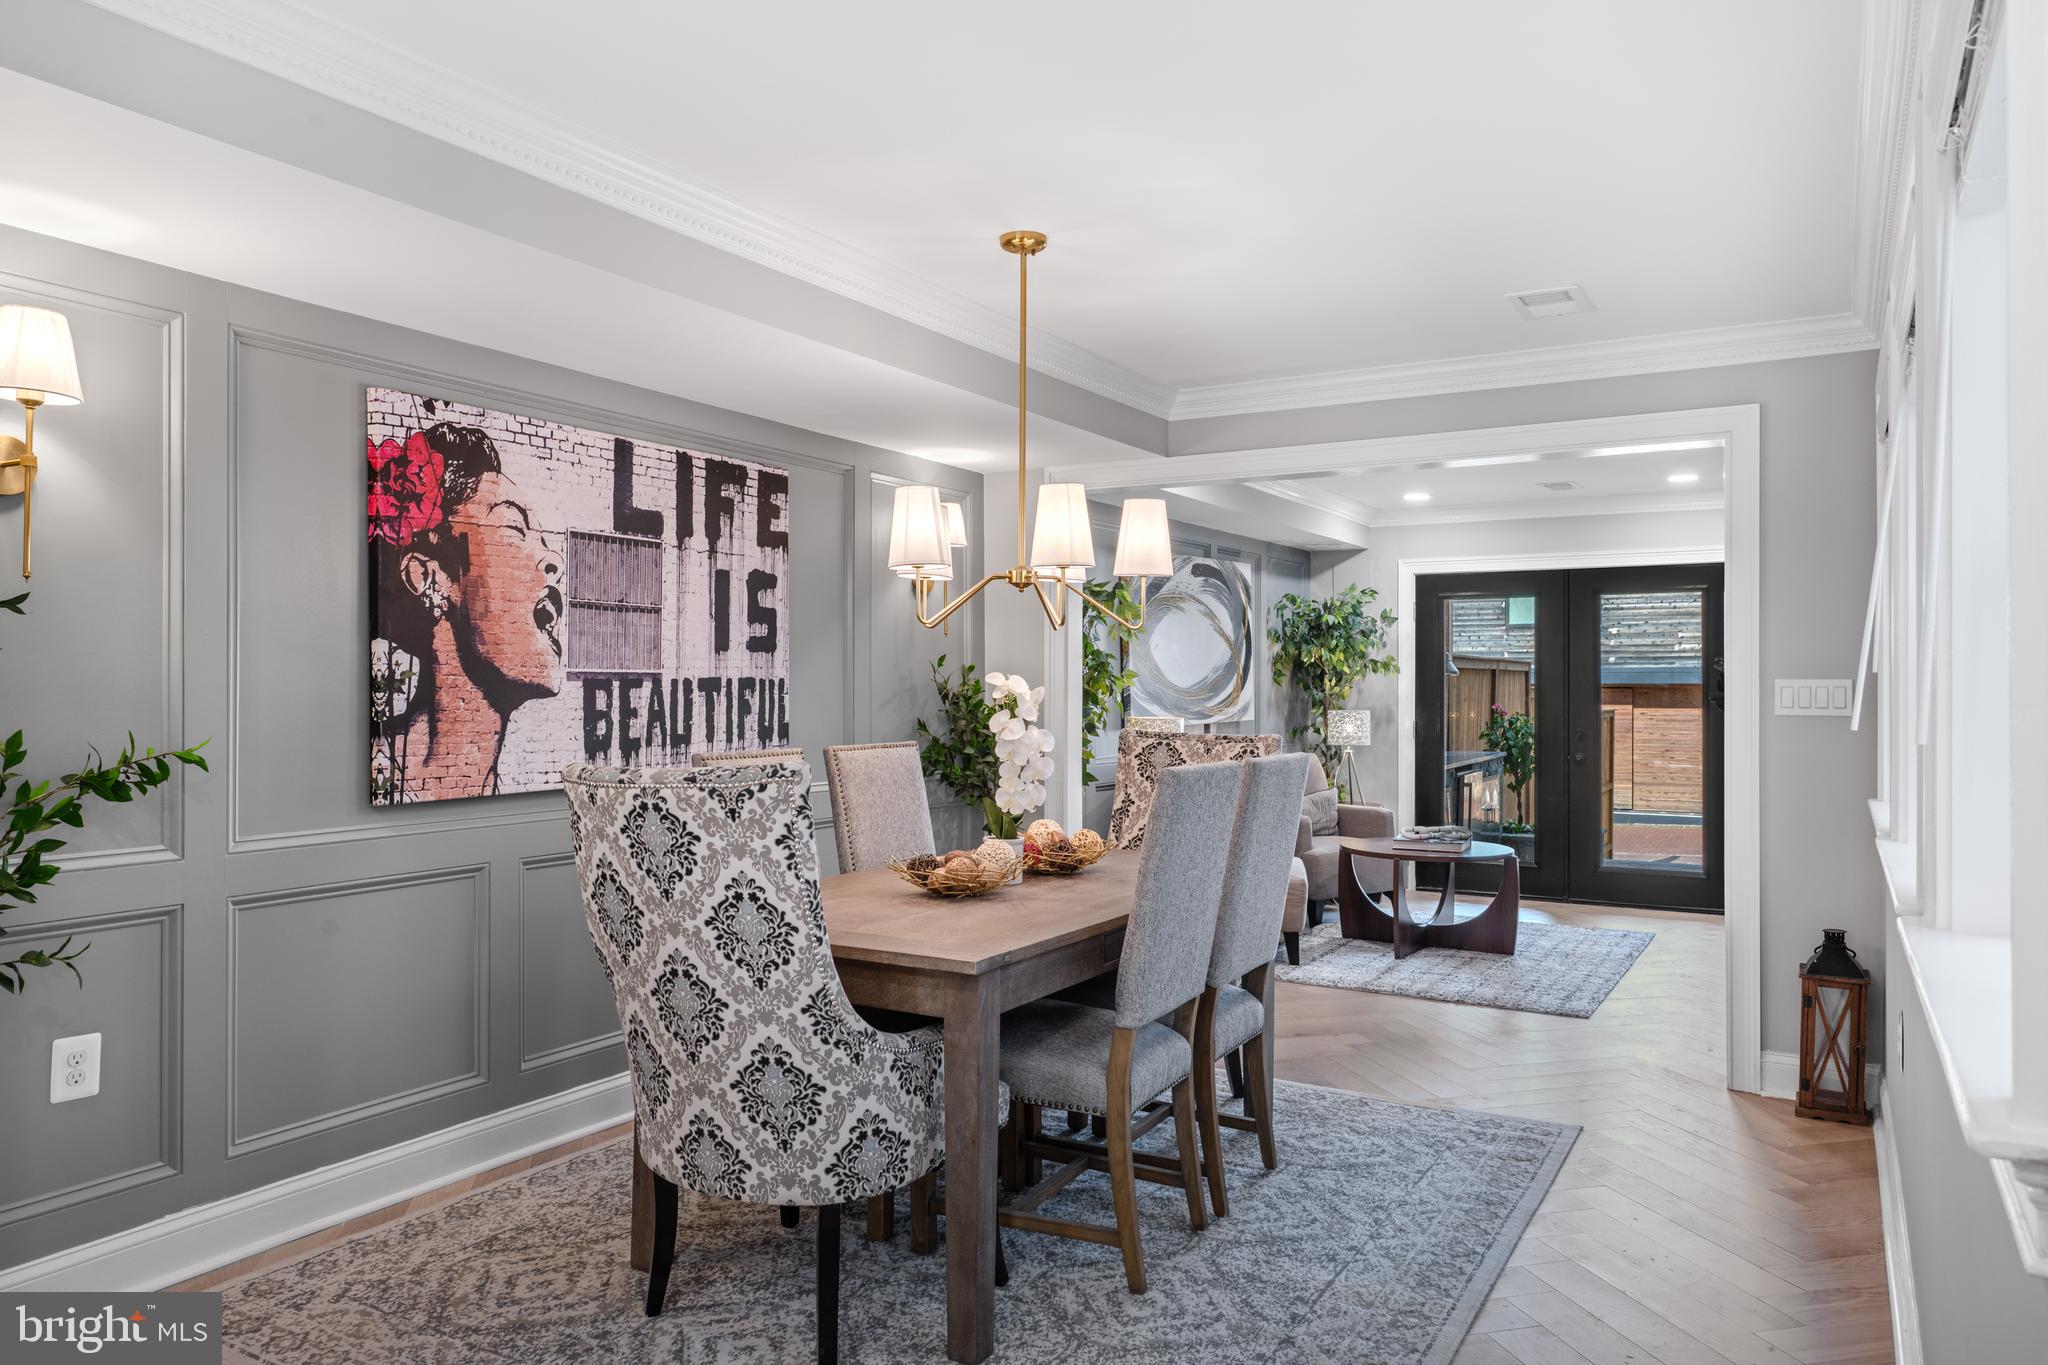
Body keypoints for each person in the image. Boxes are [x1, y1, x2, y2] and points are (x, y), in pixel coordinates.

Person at [369, 422, 564, 802]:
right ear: (430, 577)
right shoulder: (381, 781)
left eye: (543, 538)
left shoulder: (507, 791)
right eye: (514, 528)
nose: (554, 558)